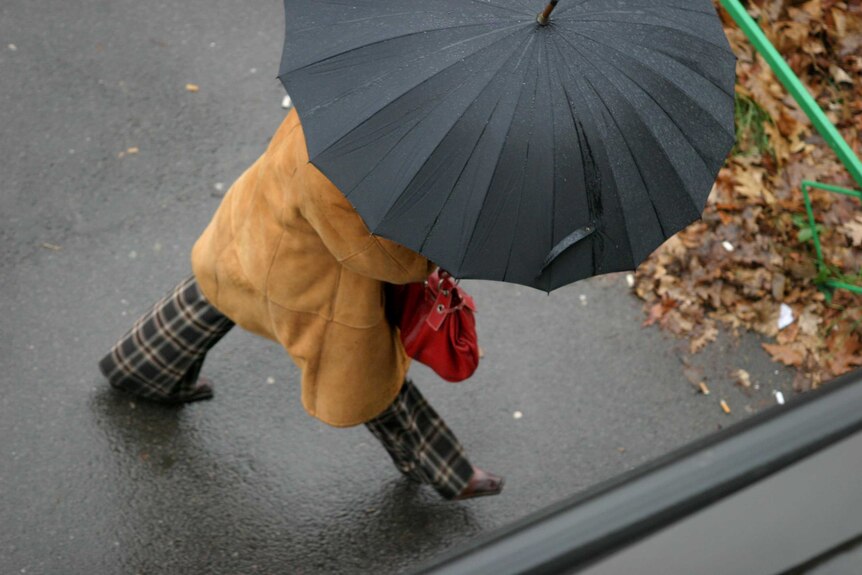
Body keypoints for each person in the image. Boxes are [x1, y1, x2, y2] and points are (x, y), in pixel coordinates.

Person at [98, 108, 503, 501]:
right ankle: (446, 470)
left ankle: (140, 367)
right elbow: (391, 263)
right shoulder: (340, 178)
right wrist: (432, 252)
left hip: (256, 222)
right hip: (309, 284)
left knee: (219, 286)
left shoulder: (338, 100)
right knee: (364, 374)